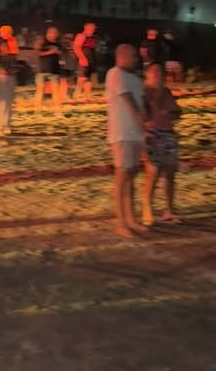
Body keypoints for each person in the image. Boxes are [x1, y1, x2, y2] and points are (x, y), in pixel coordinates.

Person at [106, 44, 146, 238]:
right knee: (122, 176)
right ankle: (121, 222)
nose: (136, 58)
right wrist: (143, 125)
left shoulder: (134, 78)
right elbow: (129, 101)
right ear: (121, 56)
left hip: (135, 133)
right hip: (122, 133)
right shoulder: (115, 73)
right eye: (132, 55)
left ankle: (131, 218)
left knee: (130, 177)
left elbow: (143, 103)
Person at [142, 62, 182, 227]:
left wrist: (172, 113)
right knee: (153, 172)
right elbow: (142, 114)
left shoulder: (166, 91)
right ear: (146, 74)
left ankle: (169, 210)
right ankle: (147, 209)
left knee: (170, 173)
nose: (157, 74)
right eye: (154, 71)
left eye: (159, 71)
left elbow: (177, 113)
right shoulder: (144, 92)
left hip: (168, 133)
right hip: (152, 133)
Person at [34, 26, 64, 117]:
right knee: (40, 91)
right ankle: (37, 112)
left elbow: (63, 54)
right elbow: (36, 52)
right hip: (42, 70)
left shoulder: (59, 43)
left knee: (56, 92)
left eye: (56, 33)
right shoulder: (42, 41)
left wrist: (59, 55)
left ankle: (58, 112)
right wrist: (49, 52)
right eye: (54, 33)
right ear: (48, 33)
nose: (55, 35)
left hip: (54, 71)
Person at [0, 25, 19, 136]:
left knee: (4, 101)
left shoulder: (7, 42)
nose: (0, 33)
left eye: (2, 32)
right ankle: (4, 125)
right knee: (6, 101)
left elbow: (10, 57)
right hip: (8, 75)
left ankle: (2, 126)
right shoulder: (12, 42)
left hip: (5, 75)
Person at [73, 22, 97, 101]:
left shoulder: (92, 37)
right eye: (91, 28)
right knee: (82, 77)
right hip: (84, 59)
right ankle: (76, 93)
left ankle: (87, 96)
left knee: (88, 79)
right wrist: (82, 58)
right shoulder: (81, 36)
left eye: (93, 29)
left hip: (91, 60)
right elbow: (76, 47)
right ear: (86, 28)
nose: (93, 30)